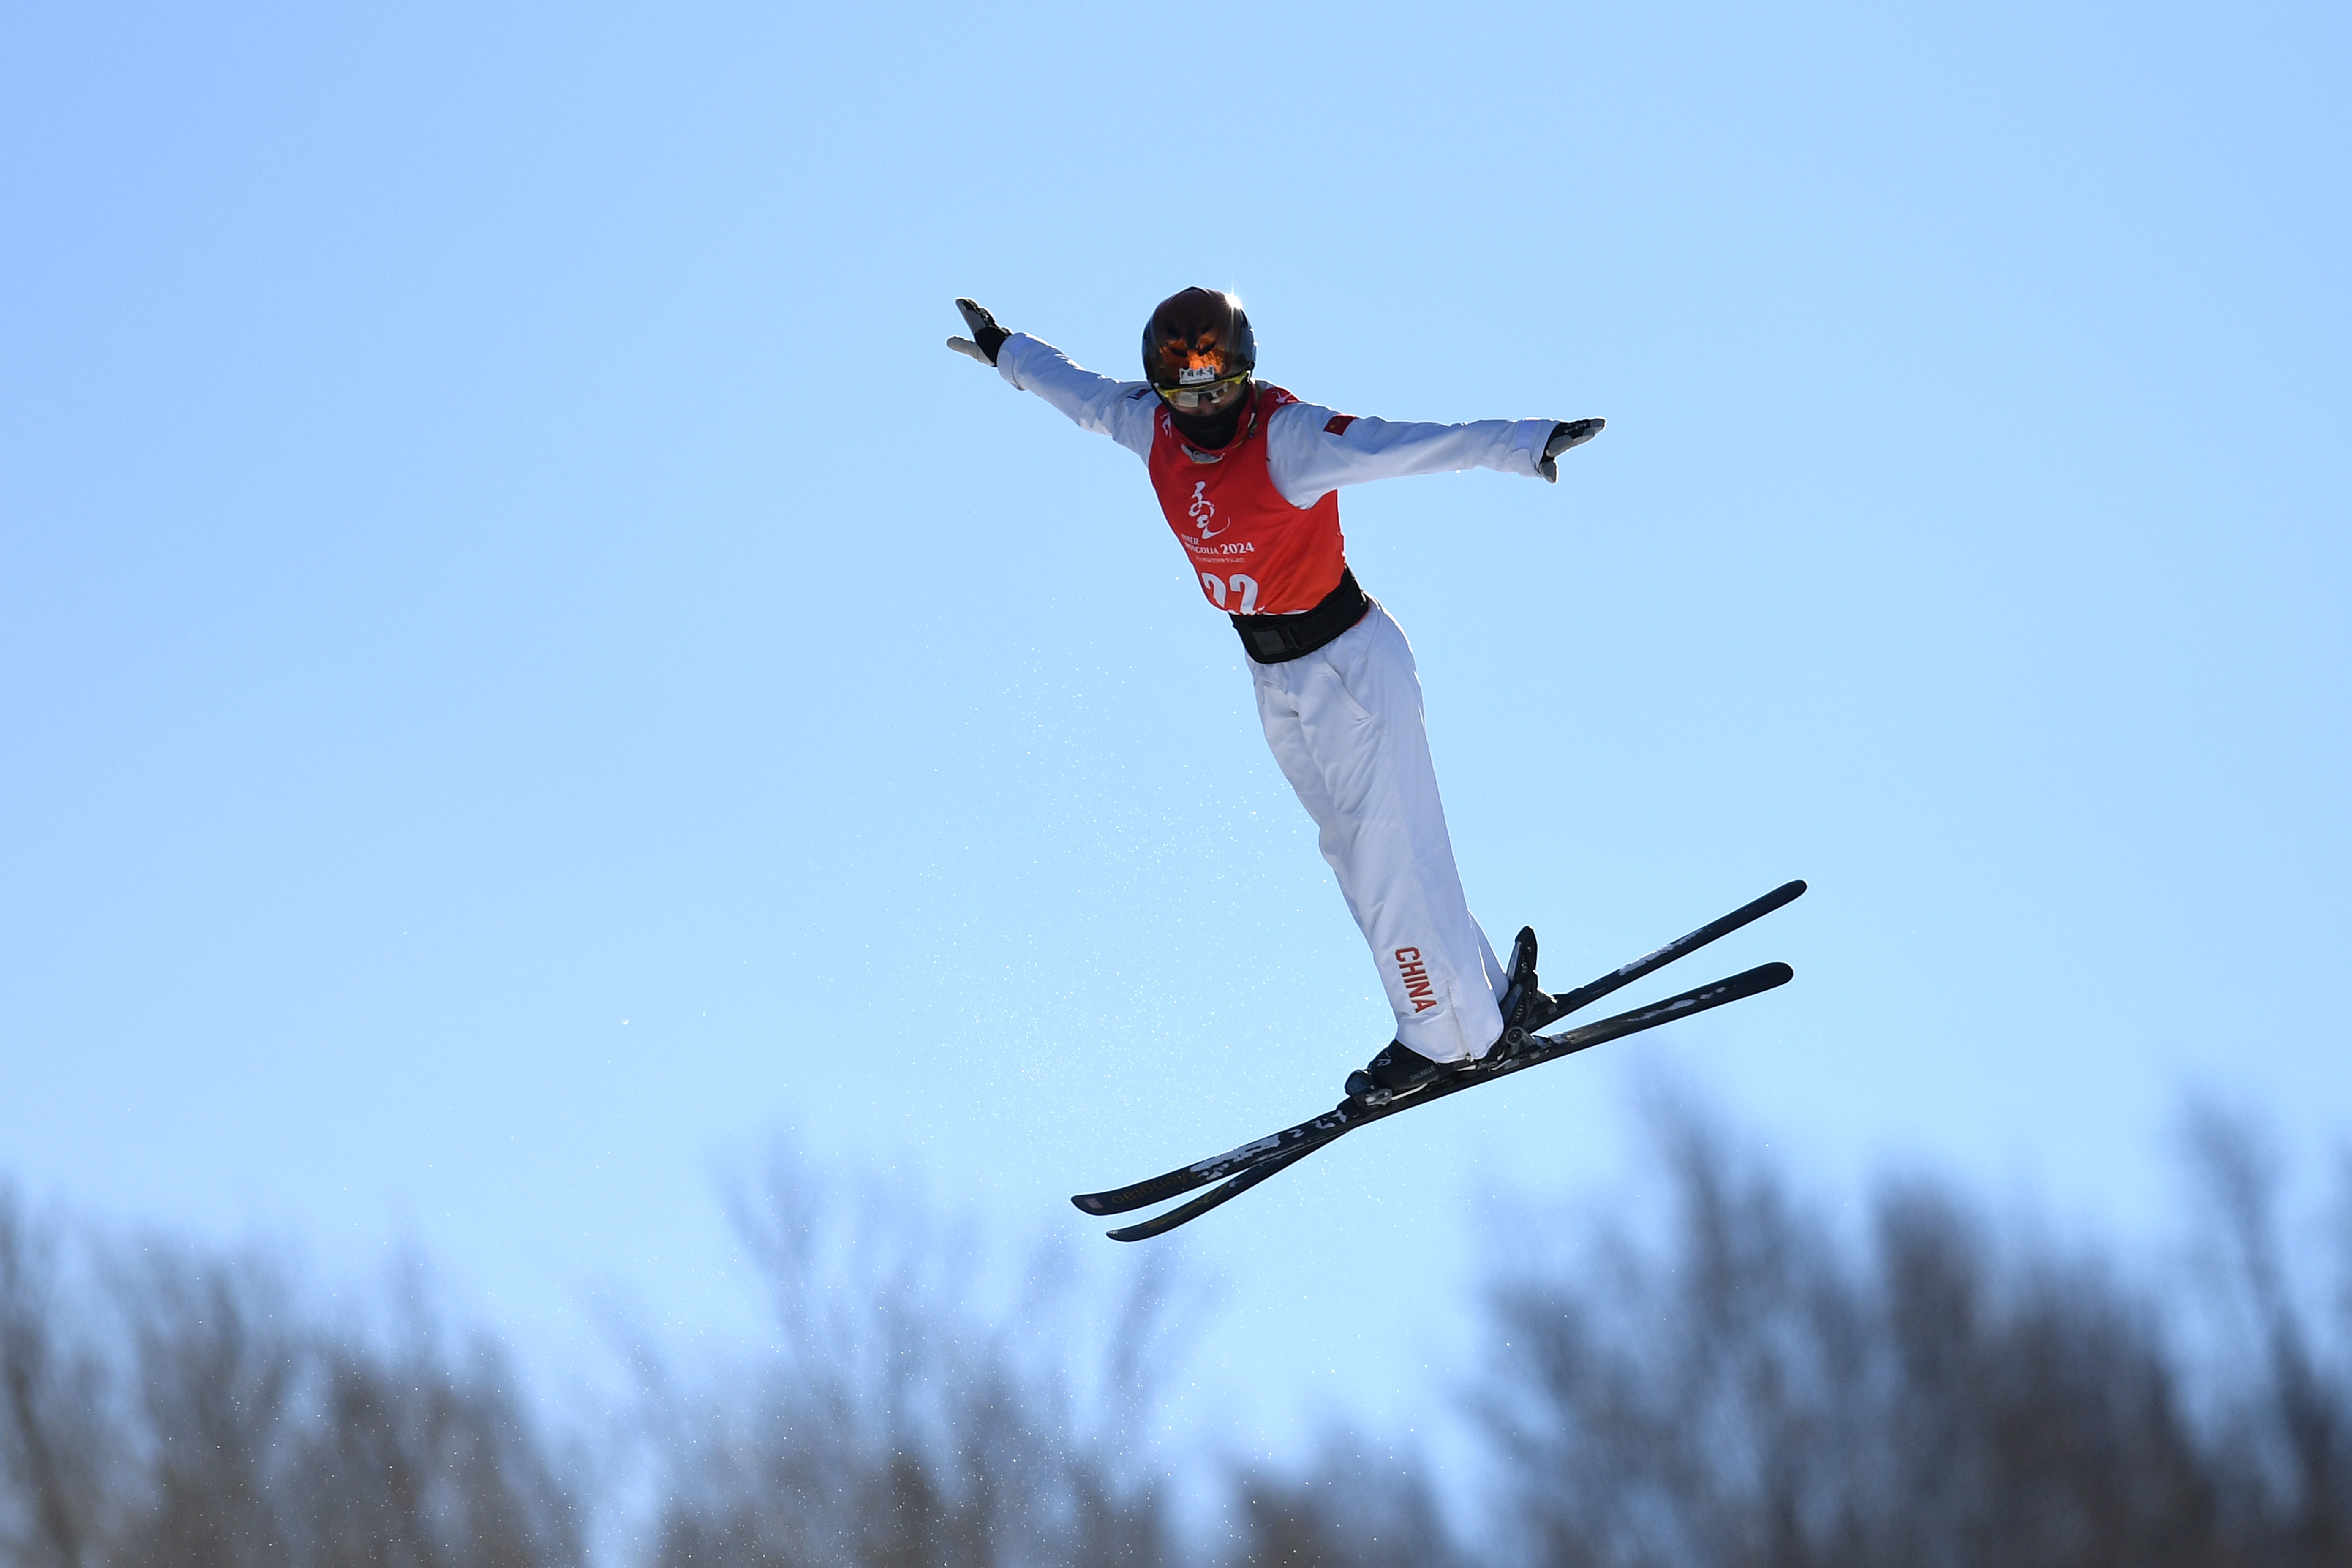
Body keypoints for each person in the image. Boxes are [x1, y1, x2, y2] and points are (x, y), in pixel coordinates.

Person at [946, 289, 1604, 1102]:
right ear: (1161, 389)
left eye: (1221, 388)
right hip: (1276, 678)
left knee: (1388, 851)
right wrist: (1007, 351)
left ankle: (1447, 1037)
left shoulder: (1287, 440)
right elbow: (1080, 394)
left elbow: (1398, 448)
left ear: (1248, 376)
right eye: (1187, 393)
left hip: (1349, 667)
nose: (1206, 406)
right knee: (1356, 853)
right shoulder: (1149, 426)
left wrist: (1523, 442)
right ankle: (1483, 1003)